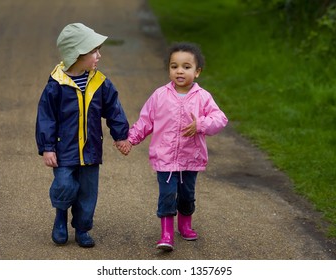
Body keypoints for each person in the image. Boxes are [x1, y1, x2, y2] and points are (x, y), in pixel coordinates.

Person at [120, 42, 228, 251]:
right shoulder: (160, 95)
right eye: (174, 66)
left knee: (187, 194)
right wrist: (130, 139)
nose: (179, 71)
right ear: (169, 69)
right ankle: (166, 233)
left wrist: (201, 124)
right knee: (167, 194)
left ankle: (185, 225)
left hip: (191, 158)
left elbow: (220, 119)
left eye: (186, 67)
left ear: (197, 72)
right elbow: (146, 121)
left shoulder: (202, 97)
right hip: (165, 158)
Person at [35, 23, 130, 248]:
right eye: (94, 51)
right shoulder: (56, 85)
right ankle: (60, 218)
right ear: (77, 54)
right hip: (63, 149)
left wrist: (121, 136)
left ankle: (82, 228)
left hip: (90, 151)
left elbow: (114, 110)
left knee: (88, 193)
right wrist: (48, 147)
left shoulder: (100, 83)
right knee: (65, 185)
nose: (99, 55)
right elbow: (46, 118)